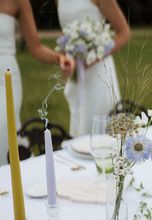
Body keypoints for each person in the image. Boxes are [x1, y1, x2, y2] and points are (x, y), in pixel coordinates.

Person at [0, 0, 74, 166]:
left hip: (5, 79)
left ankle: (13, 181)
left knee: (4, 127)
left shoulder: (18, 2)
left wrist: (59, 58)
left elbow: (36, 47)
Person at [56, 0, 130, 137]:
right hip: (76, 73)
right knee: (79, 132)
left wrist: (95, 55)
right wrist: (65, 59)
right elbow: (65, 33)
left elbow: (124, 33)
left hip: (99, 72)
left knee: (104, 131)